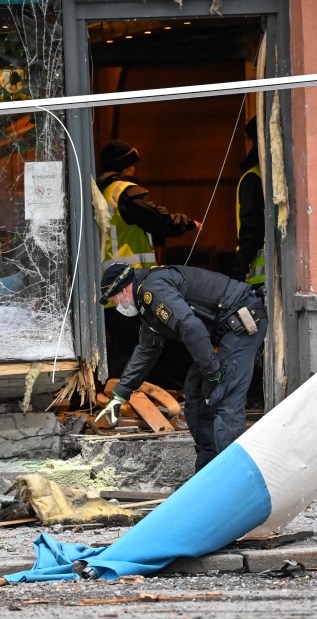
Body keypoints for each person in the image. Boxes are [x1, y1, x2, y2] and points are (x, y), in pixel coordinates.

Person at [96, 263, 267, 472]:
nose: (117, 306)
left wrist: (212, 373)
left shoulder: (153, 289)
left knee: (224, 397)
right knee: (195, 395)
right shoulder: (146, 304)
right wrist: (120, 395)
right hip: (224, 330)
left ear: (122, 290)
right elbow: (146, 350)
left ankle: (233, 479)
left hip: (242, 320)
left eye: (114, 300)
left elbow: (190, 326)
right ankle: (208, 473)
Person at [97, 140, 201, 383]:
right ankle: (125, 396)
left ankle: (116, 395)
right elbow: (157, 218)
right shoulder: (124, 192)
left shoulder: (101, 193)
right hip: (131, 284)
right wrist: (185, 223)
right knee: (137, 345)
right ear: (127, 166)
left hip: (113, 285)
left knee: (125, 346)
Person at [232, 117, 266, 286]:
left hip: (257, 278)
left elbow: (250, 229)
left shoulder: (252, 178)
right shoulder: (267, 175)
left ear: (251, 140)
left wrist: (238, 270)